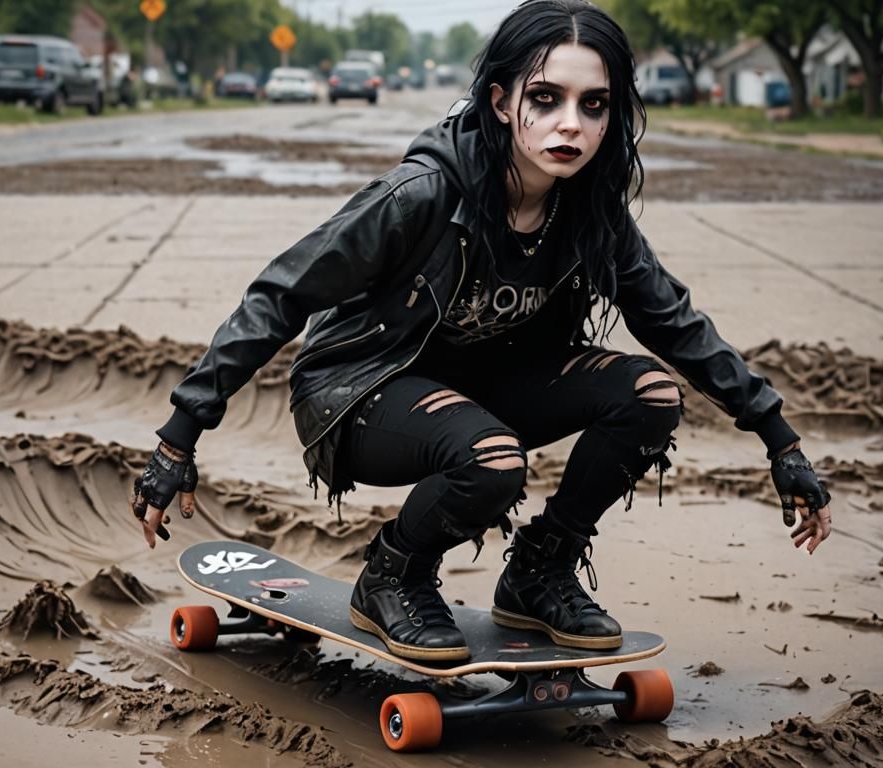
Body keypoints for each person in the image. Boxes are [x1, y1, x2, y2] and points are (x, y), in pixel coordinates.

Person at [132, 0, 832, 662]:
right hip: (365, 394)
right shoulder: (422, 195)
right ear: (502, 102)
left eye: (594, 106)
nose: (571, 126)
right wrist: (178, 437)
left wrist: (780, 437)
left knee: (650, 394)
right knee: (494, 460)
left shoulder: (589, 213)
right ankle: (392, 576)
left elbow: (672, 323)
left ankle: (540, 570)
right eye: (546, 98)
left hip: (487, 393)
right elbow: (280, 295)